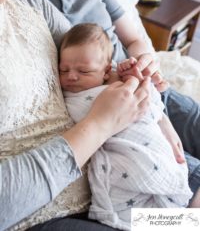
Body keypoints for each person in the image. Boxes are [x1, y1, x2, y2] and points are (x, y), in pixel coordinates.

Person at [0, 0, 151, 231]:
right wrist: (101, 124)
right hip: (51, 214)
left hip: (110, 183)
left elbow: (88, 51)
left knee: (188, 214)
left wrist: (153, 111)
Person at [32, 0, 200, 197]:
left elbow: (134, 39)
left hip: (152, 90)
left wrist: (146, 63)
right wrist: (156, 118)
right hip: (118, 108)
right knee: (188, 186)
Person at [59, 22, 194, 229]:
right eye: (64, 69)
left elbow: (148, 96)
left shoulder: (115, 79)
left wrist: (131, 75)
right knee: (148, 217)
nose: (71, 76)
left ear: (105, 71)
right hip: (119, 169)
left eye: (84, 71)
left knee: (177, 206)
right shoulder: (71, 95)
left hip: (148, 147)